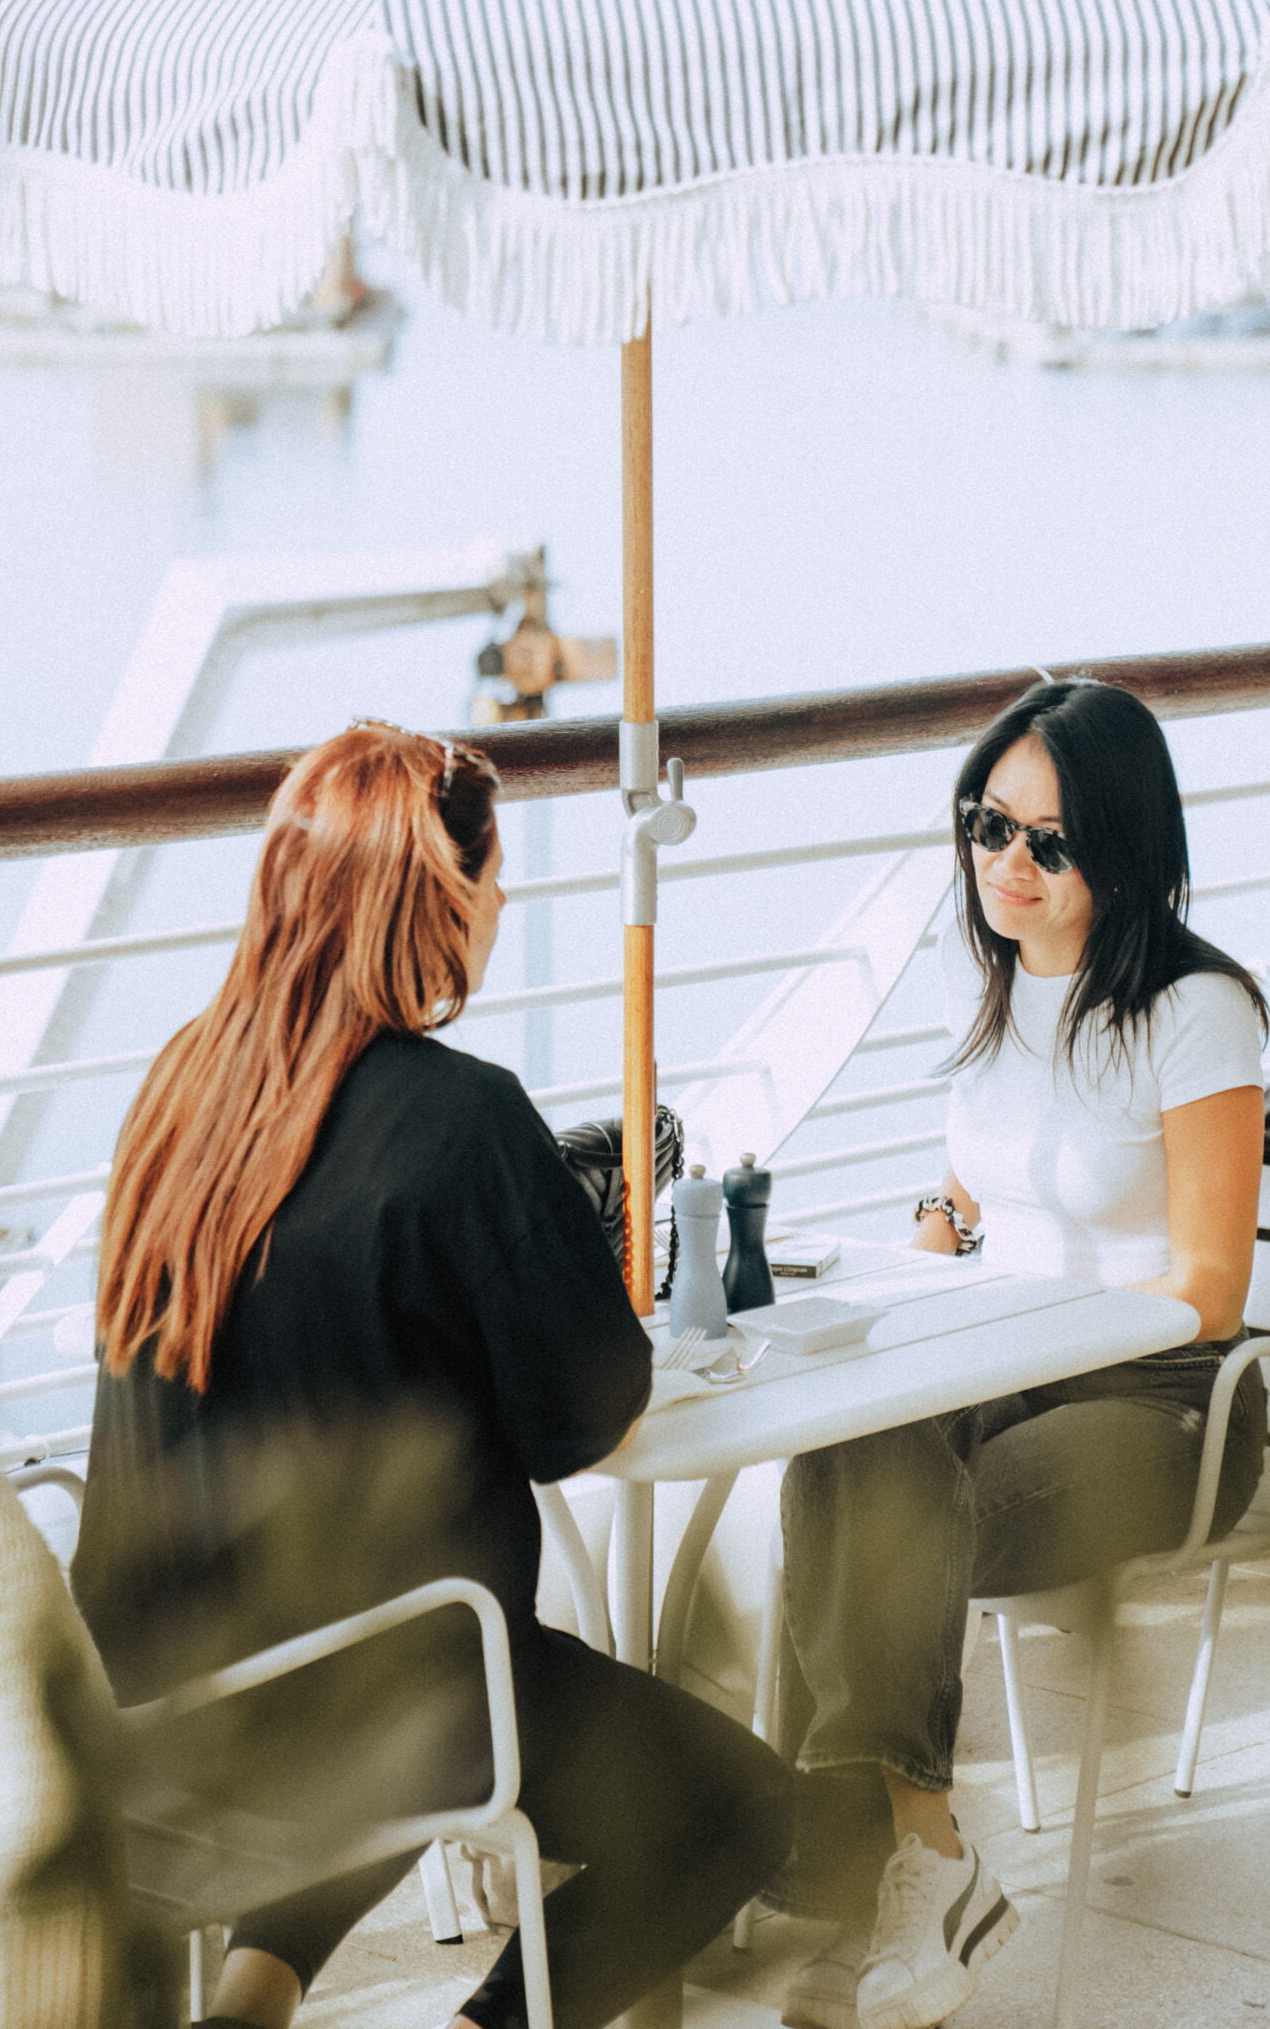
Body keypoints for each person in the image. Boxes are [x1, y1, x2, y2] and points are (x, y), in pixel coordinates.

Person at [72, 721, 790, 2029]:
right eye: (493, 878)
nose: (504, 903)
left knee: (359, 1678)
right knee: (732, 1812)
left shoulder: (181, 1088)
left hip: (167, 1699)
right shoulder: (464, 1119)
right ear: (435, 899)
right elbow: (585, 1416)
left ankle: (250, 2001)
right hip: (395, 1695)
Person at [776, 680, 1270, 2029]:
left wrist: (1010, 1331)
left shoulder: (1197, 1009)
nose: (1009, 865)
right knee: (836, 1447)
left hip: (1168, 1397)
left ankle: (883, 1868)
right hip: (1003, 1359)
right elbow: (980, 1180)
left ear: (1125, 849)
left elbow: (1211, 1288)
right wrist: (931, 1240)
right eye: (989, 825)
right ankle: (909, 1862)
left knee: (885, 1524)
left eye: (1050, 844)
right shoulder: (983, 976)